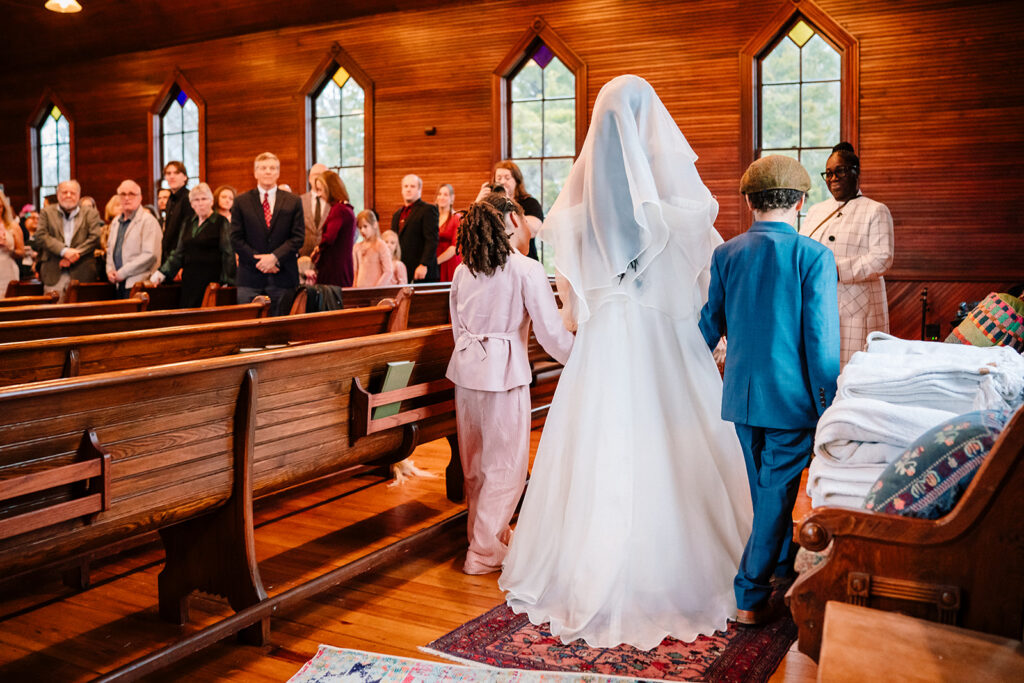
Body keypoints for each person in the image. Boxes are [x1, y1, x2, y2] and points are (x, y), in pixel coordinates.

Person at [500, 76, 753, 650]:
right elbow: (698, 289)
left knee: (600, 448)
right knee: (671, 441)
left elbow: (568, 317)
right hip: (663, 342)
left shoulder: (572, 210)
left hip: (602, 347)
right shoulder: (671, 209)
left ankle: (583, 570)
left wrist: (601, 305)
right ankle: (697, 567)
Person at [698, 154, 840, 626]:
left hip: (740, 395)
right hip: (793, 400)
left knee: (766, 491)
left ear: (748, 201)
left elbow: (708, 328)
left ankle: (779, 564)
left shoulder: (726, 254)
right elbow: (820, 342)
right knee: (776, 494)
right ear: (801, 202)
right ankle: (750, 595)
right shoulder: (814, 255)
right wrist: (830, 404)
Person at [447, 201, 573, 576]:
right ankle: (483, 552)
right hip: (504, 373)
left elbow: (457, 325)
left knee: (475, 466)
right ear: (513, 220)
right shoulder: (525, 268)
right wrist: (583, 356)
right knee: (506, 467)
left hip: (467, 372)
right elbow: (551, 335)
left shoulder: (462, 271)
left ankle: (486, 537)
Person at [802, 142, 894, 366]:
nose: (833, 178)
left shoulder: (875, 210)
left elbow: (882, 258)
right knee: (821, 368)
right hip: (819, 302)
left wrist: (835, 269)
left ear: (856, 172)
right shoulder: (816, 211)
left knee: (853, 369)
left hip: (857, 308)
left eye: (840, 171)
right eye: (829, 173)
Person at [230, 152, 305, 315]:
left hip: (283, 276)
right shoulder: (241, 202)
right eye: (263, 168)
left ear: (278, 173)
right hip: (250, 276)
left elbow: (298, 237)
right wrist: (259, 261)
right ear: (255, 172)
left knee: (281, 332)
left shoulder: (293, 201)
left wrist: (275, 258)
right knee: (248, 332)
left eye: (272, 168)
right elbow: (235, 238)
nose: (268, 171)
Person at [151, 183, 235, 308]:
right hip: (190, 279)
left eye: (204, 199)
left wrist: (227, 282)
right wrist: (162, 273)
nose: (200, 203)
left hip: (212, 281)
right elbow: (179, 252)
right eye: (196, 200)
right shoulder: (188, 222)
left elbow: (228, 252)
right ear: (191, 204)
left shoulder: (220, 221)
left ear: (211, 201)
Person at [32, 179, 104, 300]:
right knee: (54, 315)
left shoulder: (90, 213)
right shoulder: (46, 212)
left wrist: (75, 254)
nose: (68, 195)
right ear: (58, 195)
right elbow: (41, 236)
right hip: (53, 271)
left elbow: (95, 238)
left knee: (83, 314)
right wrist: (64, 251)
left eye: (72, 193)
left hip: (83, 272)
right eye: (64, 192)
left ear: (79, 195)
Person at [475, 161, 543, 260]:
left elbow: (532, 231)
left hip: (525, 260)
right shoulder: (490, 205)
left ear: (517, 180)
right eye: (499, 178)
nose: (502, 182)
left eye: (507, 178)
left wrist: (508, 201)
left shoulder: (530, 203)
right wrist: (478, 203)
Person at [104, 180, 161, 297]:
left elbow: (150, 255)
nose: (126, 198)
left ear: (140, 198)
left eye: (131, 194)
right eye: (123, 194)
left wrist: (123, 272)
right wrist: (109, 270)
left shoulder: (148, 221)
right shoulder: (116, 222)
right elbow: (110, 250)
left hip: (138, 284)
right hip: (118, 283)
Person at [390, 174, 439, 282]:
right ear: (402, 190)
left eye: (412, 186)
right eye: (405, 186)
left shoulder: (428, 210)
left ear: (419, 189)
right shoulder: (396, 215)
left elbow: (432, 240)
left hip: (421, 271)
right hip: (402, 271)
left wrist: (424, 264)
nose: (408, 189)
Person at [312, 170, 356, 287]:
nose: (319, 194)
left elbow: (329, 237)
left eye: (320, 190)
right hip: (343, 267)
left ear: (330, 189)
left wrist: (317, 250)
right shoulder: (347, 208)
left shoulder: (338, 209)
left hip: (333, 269)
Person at [161, 161, 196, 262]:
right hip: (169, 256)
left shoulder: (188, 198)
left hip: (181, 258)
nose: (172, 176)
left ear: (185, 177)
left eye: (176, 173)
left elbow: (187, 234)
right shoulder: (170, 200)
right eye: (168, 173)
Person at [352, 209, 393, 288]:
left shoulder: (380, 245)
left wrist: (377, 288)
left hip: (376, 291)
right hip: (360, 289)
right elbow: (355, 271)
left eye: (365, 226)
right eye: (360, 227)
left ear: (374, 225)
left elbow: (388, 271)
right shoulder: (357, 247)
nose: (362, 230)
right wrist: (354, 288)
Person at [0, 190, 25, 297]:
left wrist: (8, 248)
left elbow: (21, 252)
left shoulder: (13, 226)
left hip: (7, 269)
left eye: (0, 207)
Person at [300, 163, 328, 257]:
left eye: (322, 174)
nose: (318, 178)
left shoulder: (335, 203)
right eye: (315, 174)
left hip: (328, 257)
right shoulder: (299, 201)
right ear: (309, 178)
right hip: (303, 258)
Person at [435, 183, 461, 281]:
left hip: (449, 263)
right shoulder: (433, 218)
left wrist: (436, 262)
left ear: (452, 198)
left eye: (445, 195)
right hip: (434, 263)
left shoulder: (456, 218)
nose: (441, 197)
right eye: (439, 194)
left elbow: (455, 247)